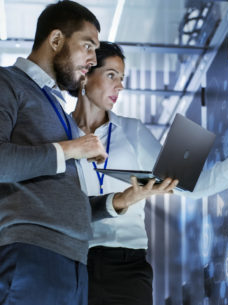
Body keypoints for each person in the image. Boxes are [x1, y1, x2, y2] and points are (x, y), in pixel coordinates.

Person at [70, 41, 228, 305]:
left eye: (122, 78)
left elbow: (191, 186)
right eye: (111, 75)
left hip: (127, 265)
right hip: (74, 261)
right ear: (86, 75)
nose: (120, 86)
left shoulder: (132, 131)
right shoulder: (59, 133)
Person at [0, 2, 135, 305]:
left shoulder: (56, 107)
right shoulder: (7, 82)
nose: (92, 59)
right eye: (88, 46)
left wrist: (118, 202)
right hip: (31, 256)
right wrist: (75, 147)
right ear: (57, 40)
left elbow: (58, 198)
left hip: (73, 262)